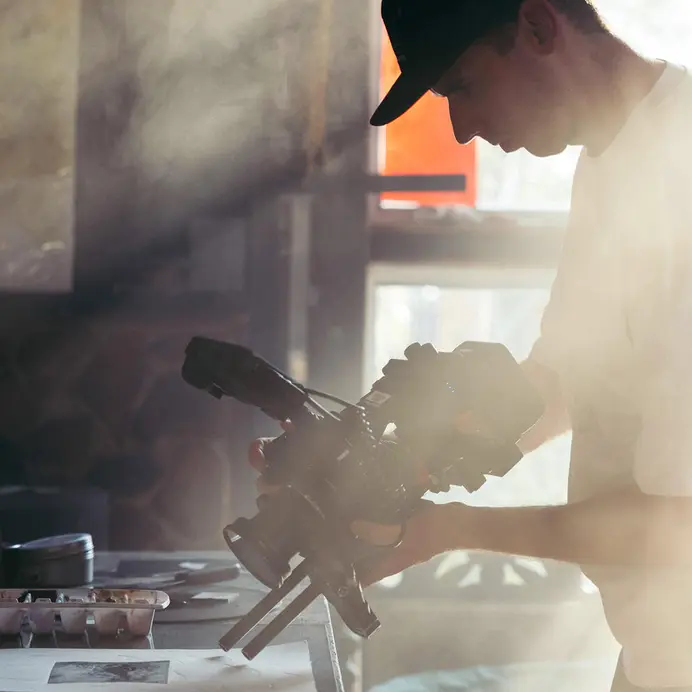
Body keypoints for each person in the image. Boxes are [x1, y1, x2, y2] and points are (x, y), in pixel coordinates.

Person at [249, 0, 692, 689]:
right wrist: (382, 463)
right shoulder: (610, 161)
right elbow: (568, 379)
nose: (459, 130)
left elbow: (679, 528)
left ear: (539, 26)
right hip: (648, 660)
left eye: (462, 85)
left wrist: (452, 528)